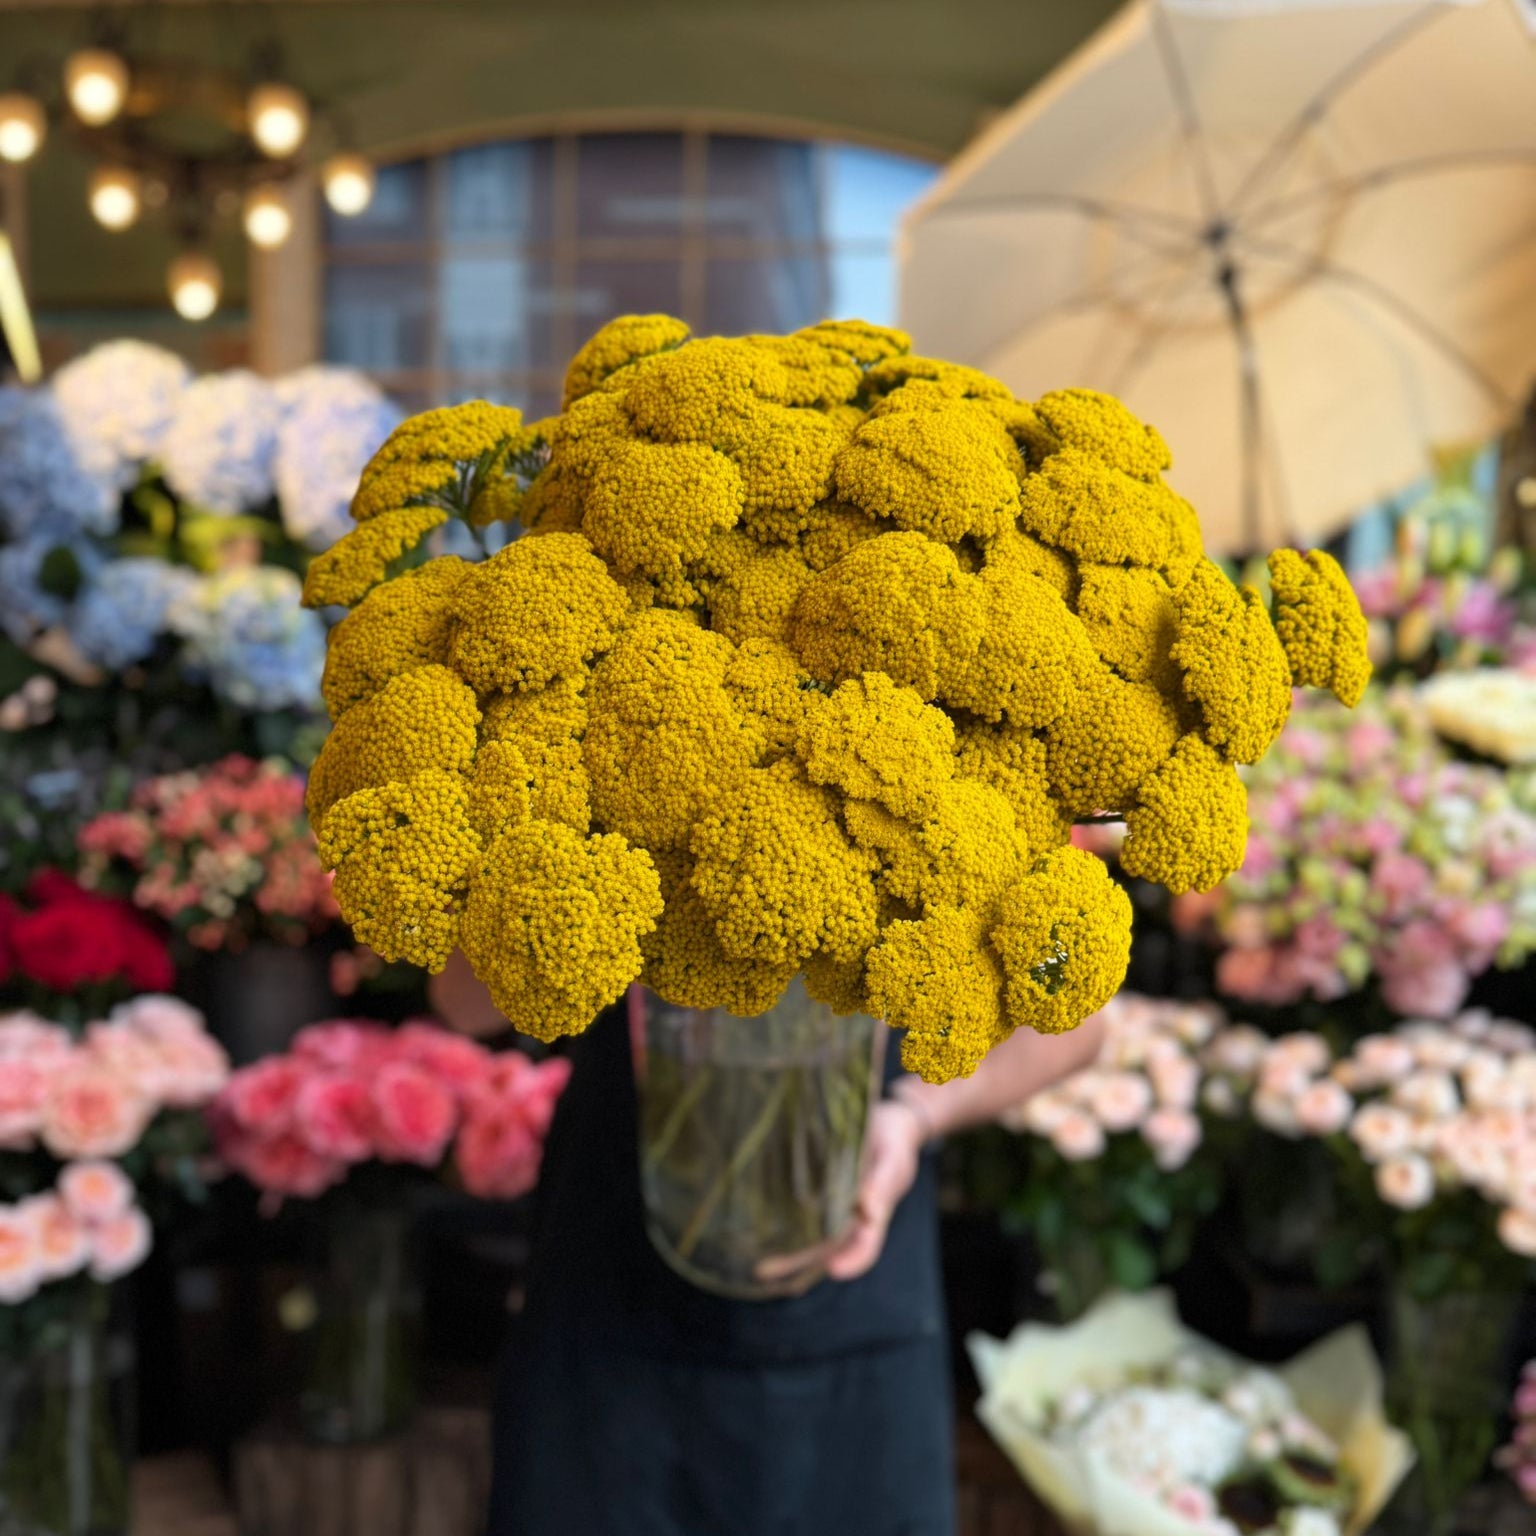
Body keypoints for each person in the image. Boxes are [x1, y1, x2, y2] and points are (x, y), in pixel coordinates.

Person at [431, 954, 1106, 1536]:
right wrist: (582, 876)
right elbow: (460, 1002)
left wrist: (916, 1114)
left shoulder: (950, 839)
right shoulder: (605, 834)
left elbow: (1074, 1019)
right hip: (604, 1308)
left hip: (857, 1314)